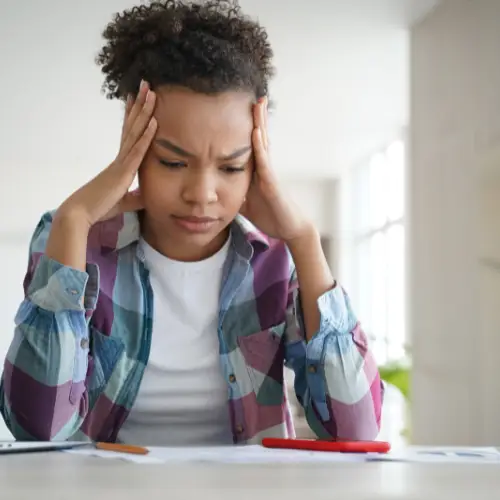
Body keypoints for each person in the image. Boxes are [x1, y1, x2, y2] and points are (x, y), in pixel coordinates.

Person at [0, 0, 383, 446]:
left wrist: (304, 239)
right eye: (172, 161)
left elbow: (355, 431)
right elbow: (36, 428)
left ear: (256, 166)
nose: (201, 194)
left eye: (231, 167)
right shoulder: (74, 238)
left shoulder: (278, 257)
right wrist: (73, 219)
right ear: (134, 150)